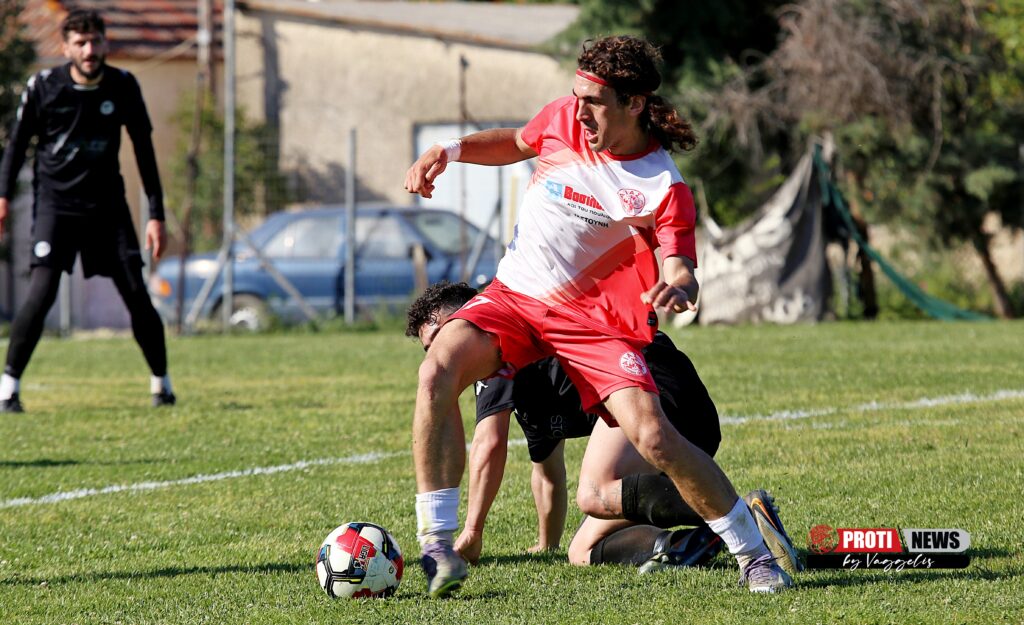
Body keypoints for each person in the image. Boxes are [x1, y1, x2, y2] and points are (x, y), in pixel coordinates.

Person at [404, 35, 793, 597]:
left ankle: (753, 555)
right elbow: (515, 142)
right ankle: (437, 544)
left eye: (594, 101)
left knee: (655, 438)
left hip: (593, 323)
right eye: (576, 97)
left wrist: (681, 283)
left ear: (634, 103)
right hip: (516, 298)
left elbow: (679, 260)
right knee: (436, 369)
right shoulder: (563, 118)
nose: (579, 110)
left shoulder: (662, 186)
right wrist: (450, 149)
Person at [407, 281, 802, 575]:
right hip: (681, 414)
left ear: (465, 319)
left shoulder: (492, 345)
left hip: (652, 387)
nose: (437, 354)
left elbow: (488, 445)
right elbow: (547, 470)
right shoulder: (523, 369)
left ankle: (743, 518)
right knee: (582, 550)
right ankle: (685, 544)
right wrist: (547, 543)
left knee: (594, 492)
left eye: (440, 338)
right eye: (429, 349)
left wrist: (471, 533)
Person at [0, 9, 175, 412]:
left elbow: (144, 150)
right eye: (80, 43)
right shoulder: (44, 87)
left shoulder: (123, 85)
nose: (89, 50)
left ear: (105, 42)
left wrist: (156, 213)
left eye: (95, 41)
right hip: (56, 208)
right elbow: (16, 145)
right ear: (66, 48)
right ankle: (9, 388)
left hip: (107, 209)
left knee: (136, 294)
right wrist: (3, 197)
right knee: (41, 294)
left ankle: (162, 386)